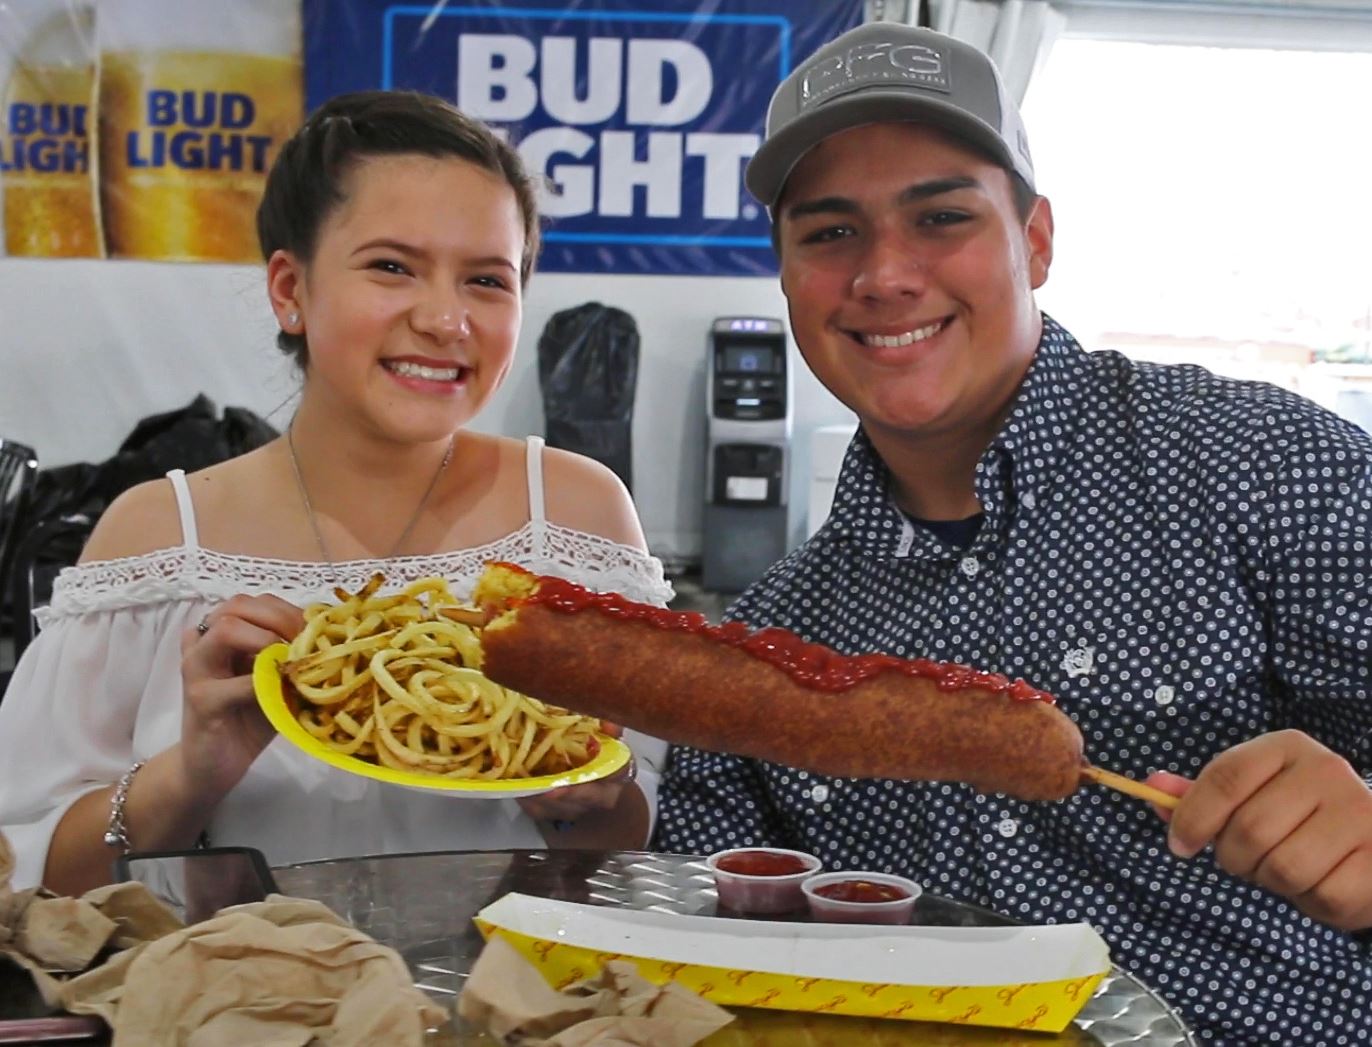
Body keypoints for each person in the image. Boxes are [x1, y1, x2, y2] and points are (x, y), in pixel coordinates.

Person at [654, 22, 1372, 1044]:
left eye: (940, 216)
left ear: (1033, 240)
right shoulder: (771, 641)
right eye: (828, 233)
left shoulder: (1261, 466)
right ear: (783, 276)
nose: (885, 275)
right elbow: (708, 943)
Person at [0, 90, 672, 897]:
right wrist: (191, 772)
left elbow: (628, 837)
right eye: (392, 266)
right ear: (290, 289)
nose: (446, 319)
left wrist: (570, 791)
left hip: (513, 1009)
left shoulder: (576, 514)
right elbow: (29, 872)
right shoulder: (157, 537)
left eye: (488, 280)